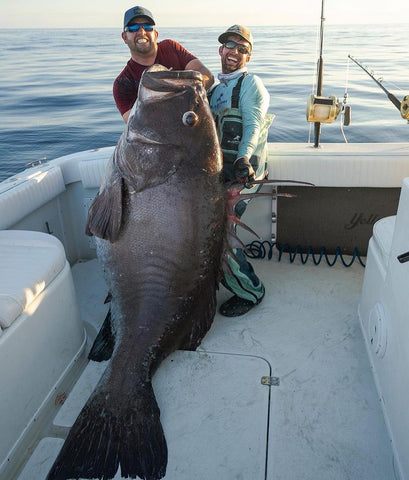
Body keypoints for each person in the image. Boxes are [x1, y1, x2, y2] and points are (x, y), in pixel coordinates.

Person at [208, 25, 274, 317]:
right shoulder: (214, 90)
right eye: (229, 46)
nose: (234, 52)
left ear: (249, 55)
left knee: (222, 236)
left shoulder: (251, 84)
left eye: (242, 48)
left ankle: (252, 291)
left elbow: (253, 125)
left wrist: (243, 158)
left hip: (244, 174)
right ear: (220, 50)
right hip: (219, 177)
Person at [114, 6, 214, 123]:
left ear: (156, 34)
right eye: (133, 27)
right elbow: (134, 124)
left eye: (148, 27)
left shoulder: (171, 47)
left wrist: (188, 89)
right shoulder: (122, 83)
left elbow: (207, 75)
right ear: (124, 37)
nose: (142, 32)